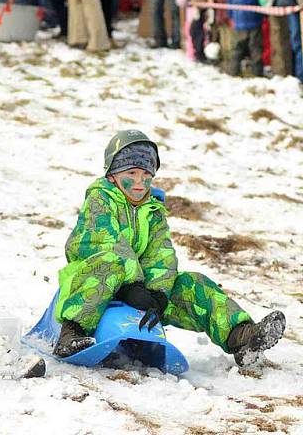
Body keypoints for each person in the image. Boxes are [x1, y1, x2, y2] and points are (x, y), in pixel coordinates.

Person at [52, 130, 286, 371]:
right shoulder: (100, 201)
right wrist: (132, 285)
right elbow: (105, 243)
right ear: (112, 175)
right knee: (109, 261)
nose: (140, 181)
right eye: (131, 173)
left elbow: (160, 253)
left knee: (192, 284)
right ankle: (71, 333)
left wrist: (159, 294)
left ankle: (241, 337)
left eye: (146, 174)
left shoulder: (153, 210)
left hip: (139, 290)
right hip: (93, 284)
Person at [225, 0, 263, 76]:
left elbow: (229, 1)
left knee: (237, 49)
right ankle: (257, 73)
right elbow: (259, 0)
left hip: (238, 21)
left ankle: (233, 71)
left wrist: (231, 16)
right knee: (255, 48)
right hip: (254, 21)